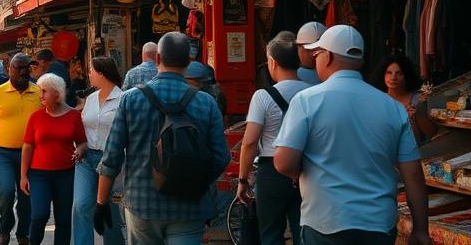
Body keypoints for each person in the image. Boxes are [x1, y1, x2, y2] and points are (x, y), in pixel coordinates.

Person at [275, 25, 429, 245]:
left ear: (326, 57)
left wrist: (309, 172)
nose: (316, 59)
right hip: (378, 224)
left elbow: (283, 162)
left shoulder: (307, 101)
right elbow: (412, 173)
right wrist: (421, 229)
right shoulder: (392, 107)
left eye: (317, 54)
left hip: (325, 221)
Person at [96, 32, 229, 245]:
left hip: (142, 203)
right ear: (188, 62)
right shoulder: (206, 102)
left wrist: (101, 202)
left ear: (157, 59)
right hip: (190, 206)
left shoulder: (130, 99)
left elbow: (112, 157)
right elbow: (221, 157)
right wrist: (194, 181)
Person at [237, 34, 308, 245]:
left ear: (272, 62)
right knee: (303, 233)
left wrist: (242, 180)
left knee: (270, 235)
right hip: (306, 171)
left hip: (271, 172)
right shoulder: (312, 93)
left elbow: (250, 142)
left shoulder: (263, 96)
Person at [0, 53, 43, 245]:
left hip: (31, 155)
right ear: (10, 69)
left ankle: (23, 233)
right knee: (6, 192)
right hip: (3, 154)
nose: (23, 71)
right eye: (19, 68)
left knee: (26, 196)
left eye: (26, 68)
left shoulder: (39, 92)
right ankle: (5, 228)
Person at [21, 73, 86, 245]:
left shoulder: (73, 115)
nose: (40, 96)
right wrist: (23, 175)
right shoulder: (36, 117)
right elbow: (27, 146)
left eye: (44, 91)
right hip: (39, 174)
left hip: (66, 174)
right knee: (40, 215)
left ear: (57, 93)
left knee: (63, 220)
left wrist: (80, 150)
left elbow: (82, 142)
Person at [73, 56, 125, 245]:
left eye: (91, 71)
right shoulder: (91, 99)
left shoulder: (122, 99)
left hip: (110, 160)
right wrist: (80, 146)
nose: (88, 74)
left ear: (101, 73)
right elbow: (85, 128)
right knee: (81, 205)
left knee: (110, 208)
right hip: (86, 158)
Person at [375, 53, 437, 143]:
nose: (393, 77)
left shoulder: (419, 99)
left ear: (407, 75)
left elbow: (432, 134)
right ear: (382, 75)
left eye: (399, 73)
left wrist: (417, 115)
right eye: (389, 73)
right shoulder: (377, 99)